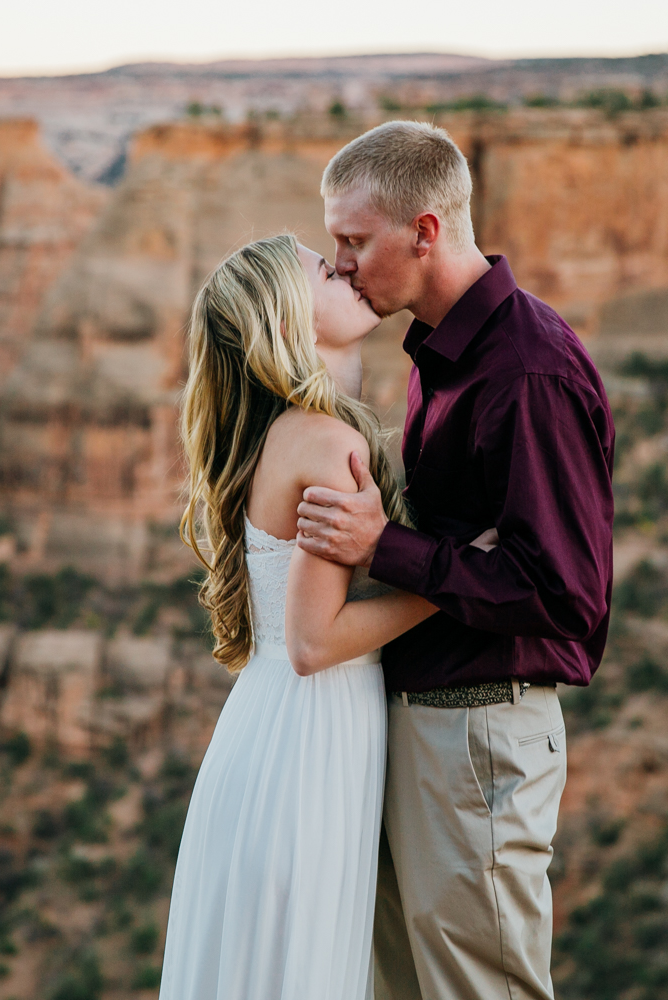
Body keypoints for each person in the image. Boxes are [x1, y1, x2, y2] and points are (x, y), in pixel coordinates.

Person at [295, 121, 616, 1000]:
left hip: (477, 736)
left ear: (425, 231)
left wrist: (384, 547)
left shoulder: (525, 372)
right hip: (426, 728)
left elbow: (567, 593)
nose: (344, 264)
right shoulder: (440, 355)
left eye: (354, 241)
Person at [160, 233, 492, 999]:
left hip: (273, 727)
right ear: (289, 317)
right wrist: (455, 578)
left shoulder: (290, 432)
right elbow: (315, 642)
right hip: (307, 741)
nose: (340, 266)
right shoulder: (327, 443)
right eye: (320, 266)